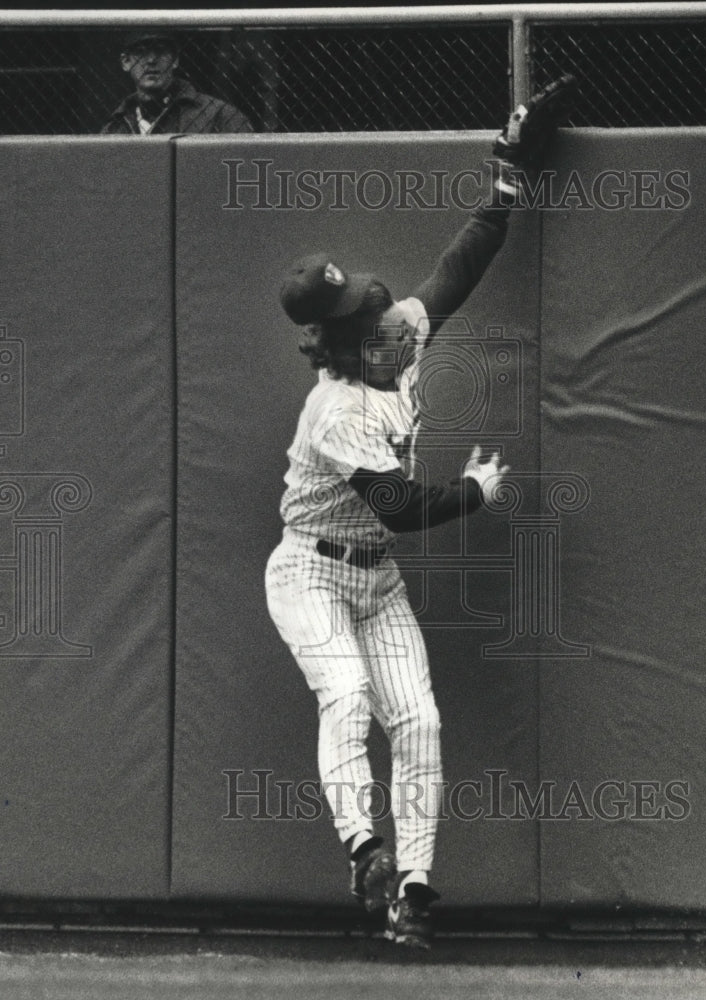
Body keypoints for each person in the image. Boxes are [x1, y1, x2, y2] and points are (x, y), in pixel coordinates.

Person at [265, 78, 575, 949]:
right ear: (332, 343)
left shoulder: (389, 341)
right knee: (349, 694)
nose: (386, 316)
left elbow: (457, 267)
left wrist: (504, 176)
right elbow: (398, 507)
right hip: (310, 573)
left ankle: (413, 890)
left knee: (421, 720)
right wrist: (472, 494)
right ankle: (361, 845)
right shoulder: (334, 411)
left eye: (373, 303)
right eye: (364, 317)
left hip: (375, 580)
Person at [101, 31, 253, 135]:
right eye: (141, 52)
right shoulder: (116, 125)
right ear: (126, 62)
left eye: (160, 51)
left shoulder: (219, 115)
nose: (151, 60)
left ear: (175, 60)